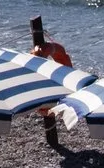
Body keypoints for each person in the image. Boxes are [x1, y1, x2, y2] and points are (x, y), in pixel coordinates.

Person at [31, 17, 74, 153]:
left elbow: (63, 58)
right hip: (48, 103)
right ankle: (52, 140)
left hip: (52, 99)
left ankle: (53, 140)